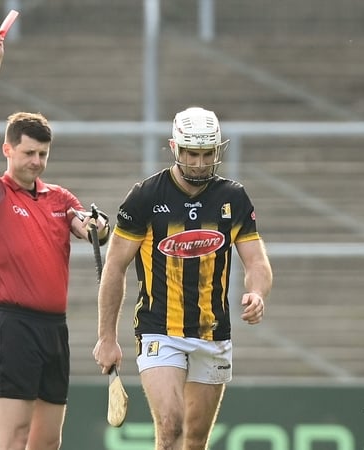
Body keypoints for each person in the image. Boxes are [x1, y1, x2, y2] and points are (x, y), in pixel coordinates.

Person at [92, 107, 273, 450]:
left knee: (194, 441)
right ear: (176, 148)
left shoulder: (233, 198)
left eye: (208, 154)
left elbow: (256, 260)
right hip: (159, 327)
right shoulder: (145, 196)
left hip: (212, 331)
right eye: (192, 154)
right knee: (171, 427)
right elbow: (114, 266)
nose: (200, 163)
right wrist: (107, 337)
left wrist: (258, 293)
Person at [0, 30, 110, 450]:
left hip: (55, 330)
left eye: (43, 154)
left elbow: (88, 227)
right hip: (14, 326)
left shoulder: (60, 198)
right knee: (12, 438)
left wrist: (98, 227)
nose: (36, 161)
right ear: (8, 151)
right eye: (29, 153)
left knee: (47, 442)